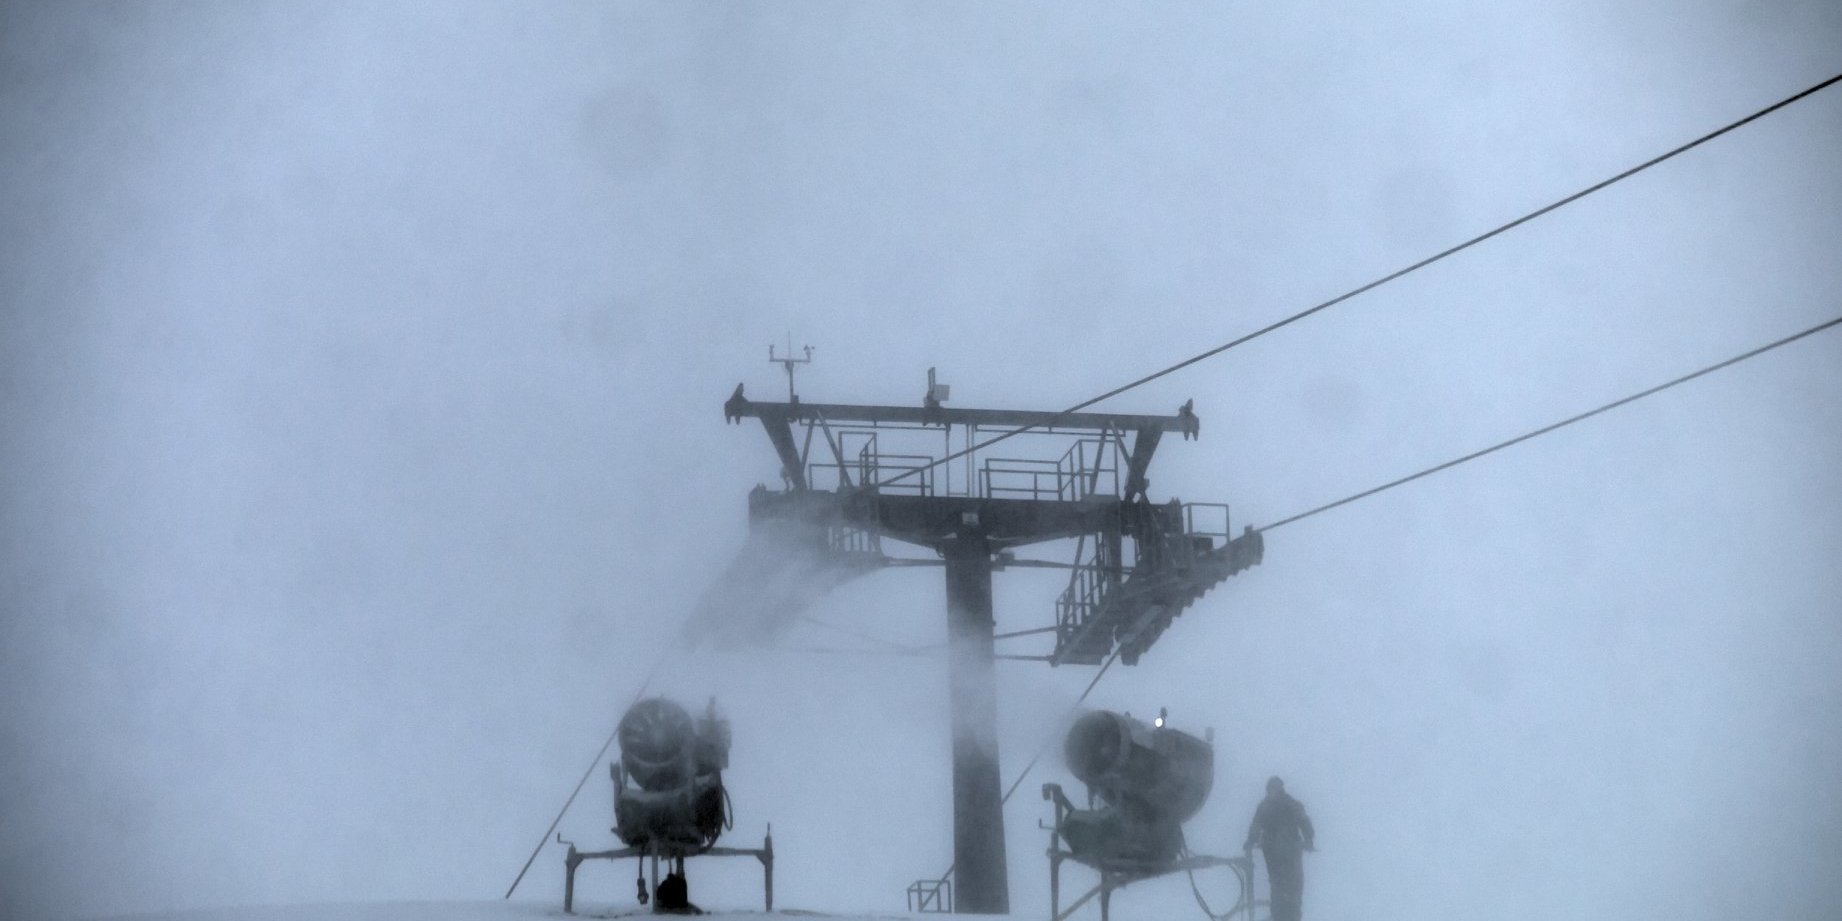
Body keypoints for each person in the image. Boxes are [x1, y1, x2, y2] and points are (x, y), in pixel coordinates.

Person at [1243, 776, 1315, 921]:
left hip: (1289, 850)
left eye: (1275, 789)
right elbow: (1256, 825)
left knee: (1291, 884)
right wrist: (1251, 839)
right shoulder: (1266, 806)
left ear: (1280, 789)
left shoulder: (1290, 804)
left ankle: (1291, 915)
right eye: (1271, 790)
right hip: (1274, 851)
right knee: (1278, 885)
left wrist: (1309, 840)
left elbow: (1304, 822)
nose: (1273, 792)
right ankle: (1280, 915)